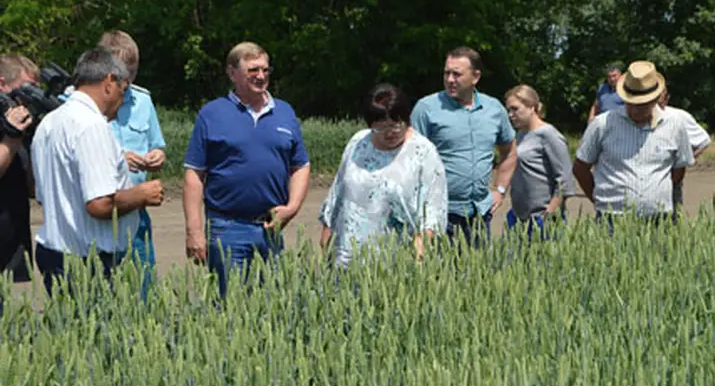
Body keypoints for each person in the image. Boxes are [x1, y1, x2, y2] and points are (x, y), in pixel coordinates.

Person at [31, 47, 164, 296]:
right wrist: (141, 194)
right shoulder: (91, 126)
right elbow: (99, 204)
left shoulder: (50, 122)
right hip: (88, 261)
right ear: (109, 82)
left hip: (55, 252)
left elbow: (41, 194)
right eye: (123, 92)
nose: (122, 102)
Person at [183, 41, 310, 299]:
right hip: (226, 227)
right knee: (230, 308)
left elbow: (300, 165)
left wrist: (293, 207)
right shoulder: (212, 114)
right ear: (232, 73)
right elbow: (194, 174)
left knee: (271, 309)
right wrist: (194, 231)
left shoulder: (284, 112)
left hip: (270, 229)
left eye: (265, 69)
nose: (261, 76)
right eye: (253, 70)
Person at [319, 84, 448, 267]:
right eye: (380, 128)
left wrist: (419, 255)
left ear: (406, 119)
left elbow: (434, 211)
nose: (389, 133)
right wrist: (327, 238)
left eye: (395, 126)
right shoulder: (358, 143)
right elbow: (337, 194)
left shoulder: (423, 152)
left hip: (395, 265)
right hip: (347, 257)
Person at [411, 46, 516, 248]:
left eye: (456, 74)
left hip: (479, 213)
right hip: (437, 214)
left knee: (475, 275)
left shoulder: (493, 109)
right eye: (446, 73)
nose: (450, 79)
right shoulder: (427, 109)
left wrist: (500, 190)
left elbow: (509, 151)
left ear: (475, 76)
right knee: (438, 276)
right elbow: (409, 159)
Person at [573, 60, 694, 232]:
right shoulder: (603, 124)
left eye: (642, 104)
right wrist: (600, 199)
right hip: (612, 220)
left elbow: (679, 169)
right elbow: (580, 167)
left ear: (655, 99)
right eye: (631, 103)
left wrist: (656, 192)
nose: (636, 110)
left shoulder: (675, 124)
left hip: (659, 220)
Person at [98, 30, 166, 294]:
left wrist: (157, 156)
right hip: (101, 209)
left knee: (143, 287)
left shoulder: (143, 100)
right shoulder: (83, 102)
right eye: (122, 73)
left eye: (133, 72)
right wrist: (119, 158)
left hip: (137, 209)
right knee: (99, 289)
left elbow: (156, 145)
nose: (128, 80)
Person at [504, 85, 575, 242]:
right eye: (508, 110)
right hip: (518, 217)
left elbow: (565, 181)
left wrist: (548, 214)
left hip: (542, 218)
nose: (510, 115)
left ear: (532, 107)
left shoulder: (549, 135)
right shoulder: (522, 134)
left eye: (515, 109)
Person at [0, 54, 39, 286]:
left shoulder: (19, 123)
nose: (28, 99)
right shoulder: (12, 130)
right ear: (2, 84)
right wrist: (12, 138)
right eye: (25, 90)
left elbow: (34, 189)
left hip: (10, 238)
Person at [658, 86, 712, 208]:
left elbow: (704, 140)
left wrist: (686, 159)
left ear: (667, 99)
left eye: (660, 99)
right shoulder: (641, 117)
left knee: (673, 216)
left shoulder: (678, 116)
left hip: (671, 177)